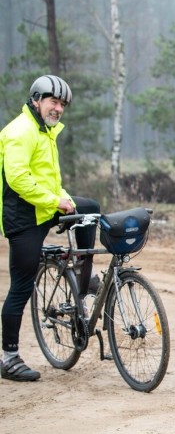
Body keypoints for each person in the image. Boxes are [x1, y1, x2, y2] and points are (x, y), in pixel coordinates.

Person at [0, 75, 100, 381]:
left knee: (90, 208)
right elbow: (18, 179)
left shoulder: (47, 130)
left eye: (62, 104)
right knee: (21, 285)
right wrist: (55, 201)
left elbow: (49, 180)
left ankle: (82, 273)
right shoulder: (21, 131)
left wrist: (65, 199)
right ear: (36, 100)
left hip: (45, 205)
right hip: (23, 215)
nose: (57, 108)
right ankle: (9, 357)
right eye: (53, 102)